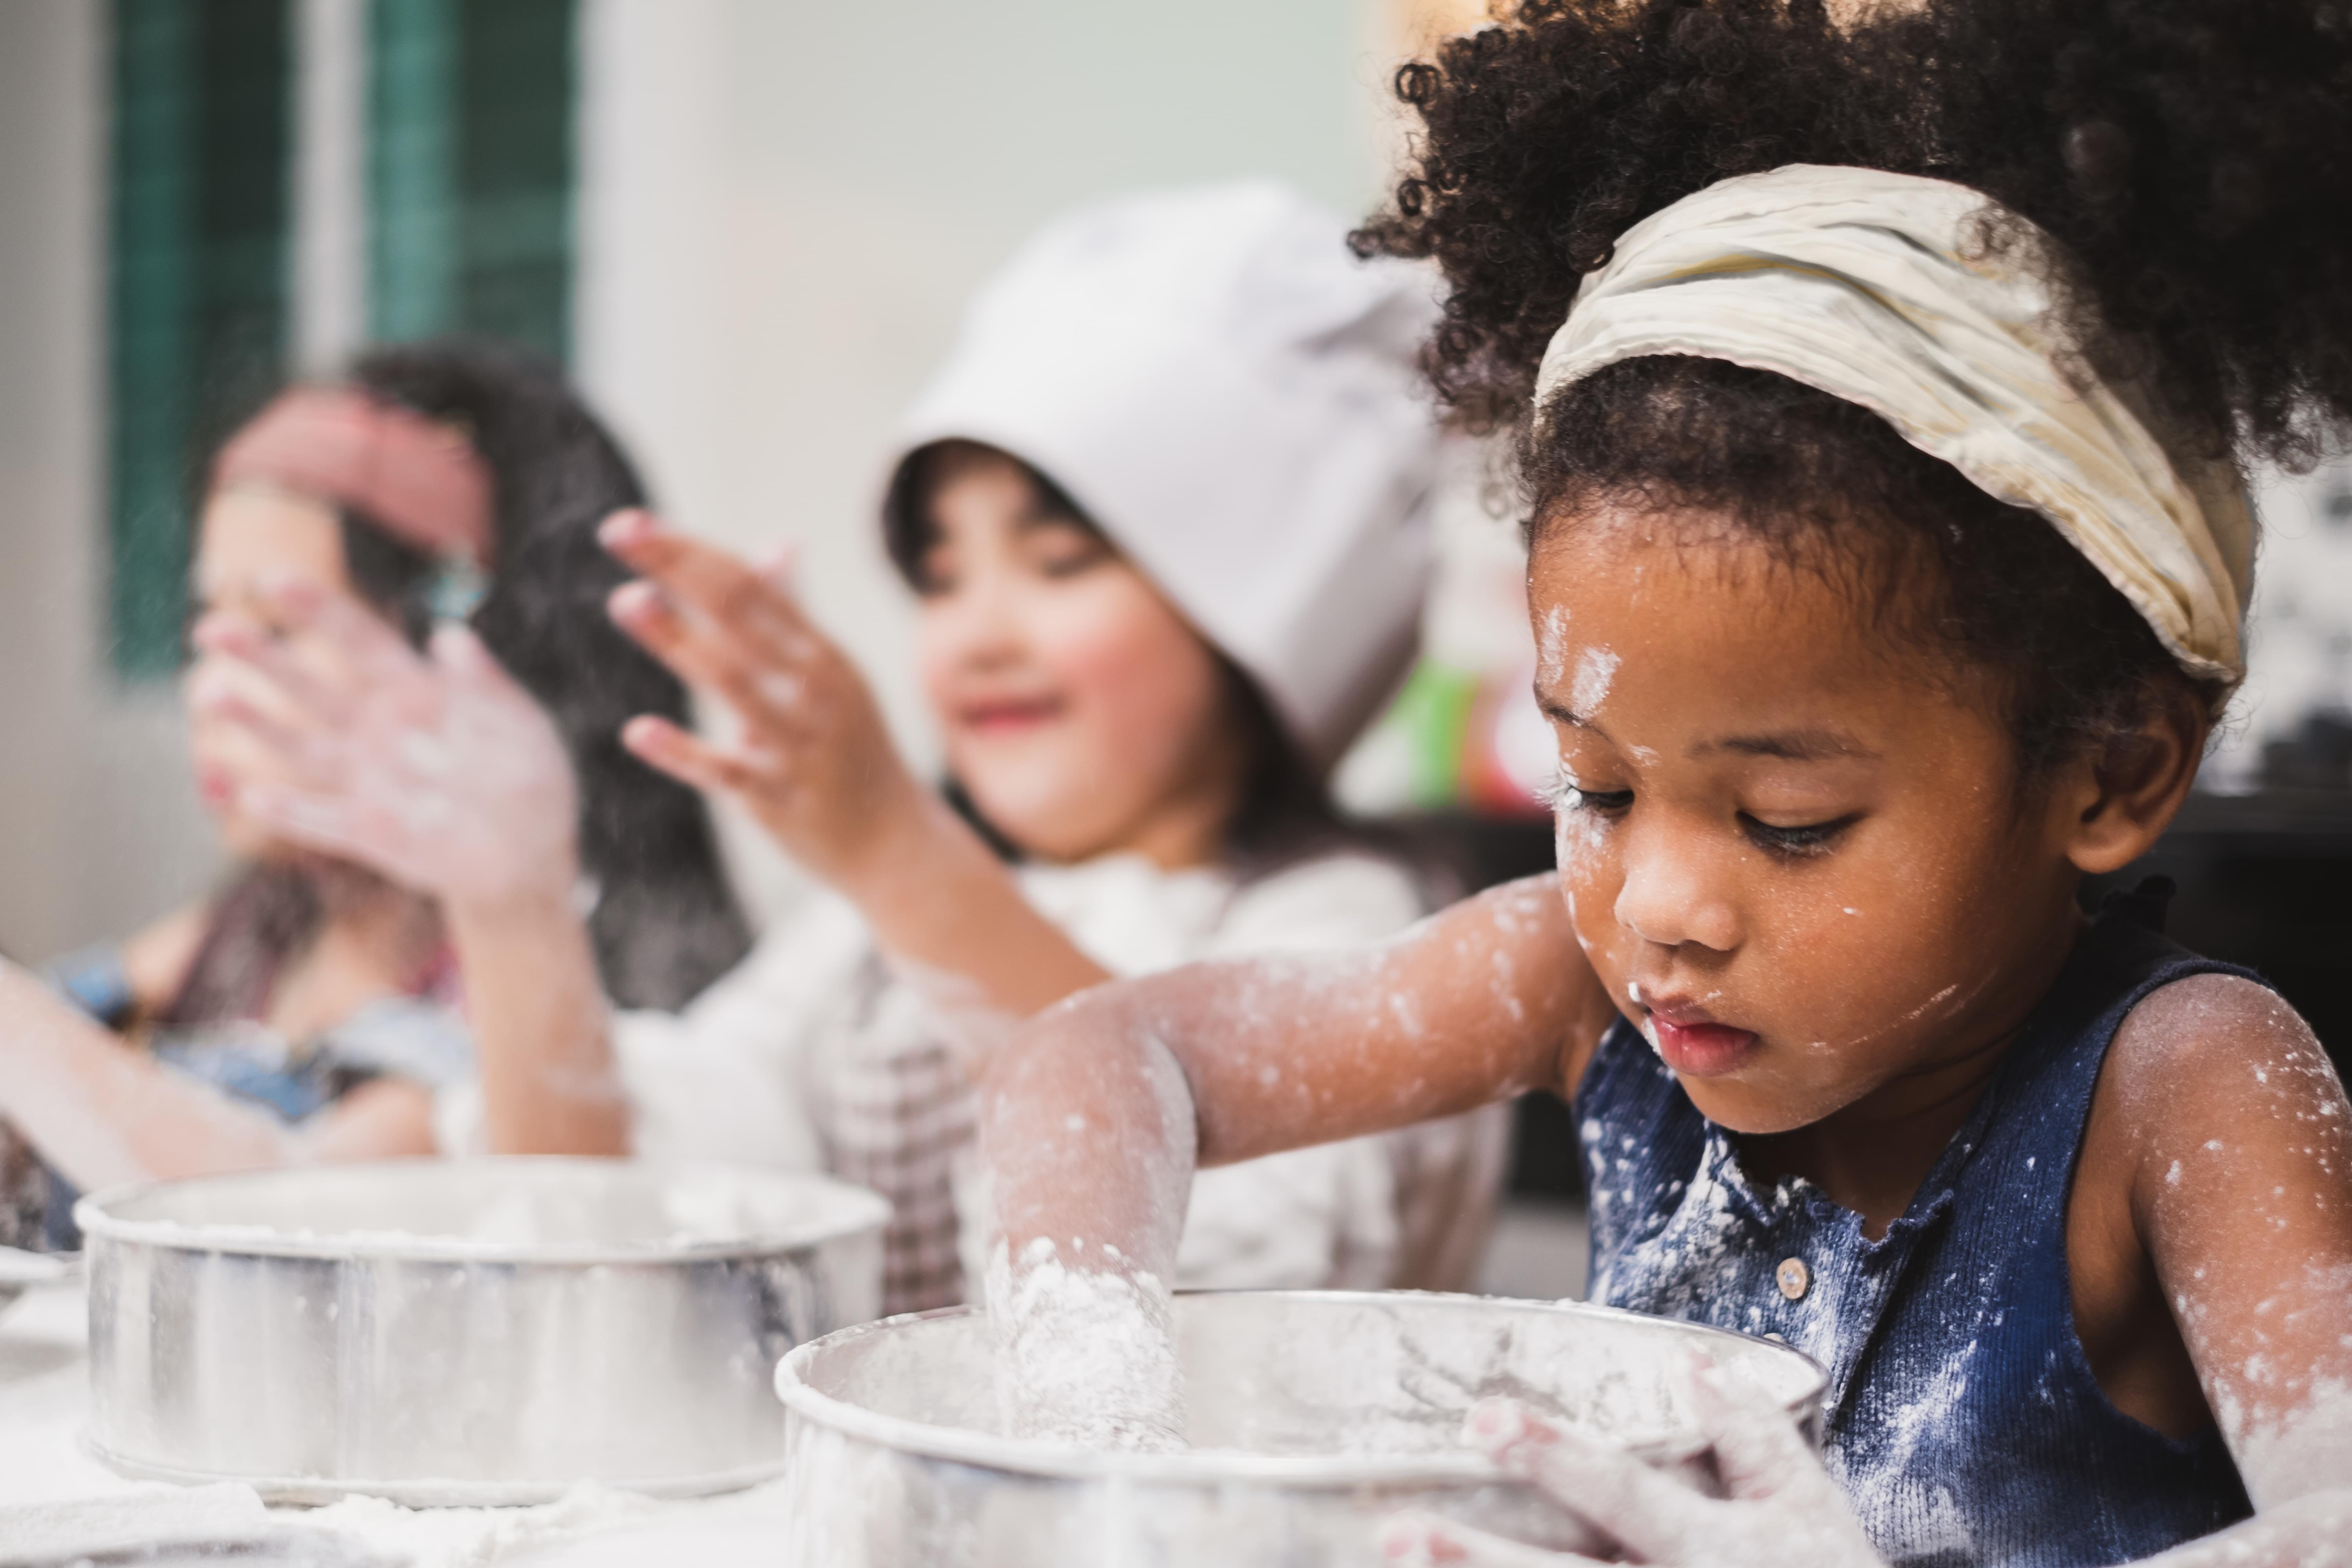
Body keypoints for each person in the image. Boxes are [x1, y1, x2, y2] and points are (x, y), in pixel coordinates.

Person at [971, 3, 2352, 1564]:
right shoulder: (1576, 980)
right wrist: (1085, 1422)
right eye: (1601, 788)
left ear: (2110, 771)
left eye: (1789, 823)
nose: (1661, 908)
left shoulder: (2188, 1091)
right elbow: (1106, 1055)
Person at [205, 183, 1511, 1316]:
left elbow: (1229, 1307)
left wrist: (896, 849)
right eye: (940, 579)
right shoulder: (860, 950)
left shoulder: (1356, 931)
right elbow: (619, 1217)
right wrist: (511, 903)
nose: (979, 633)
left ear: (1258, 608)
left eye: (1060, 561)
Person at [0, 341, 748, 1246]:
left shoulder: (526, 999)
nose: (214, 688)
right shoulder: (253, 928)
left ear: (471, 661)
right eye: (211, 625)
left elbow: (288, 1222)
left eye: (278, 627)